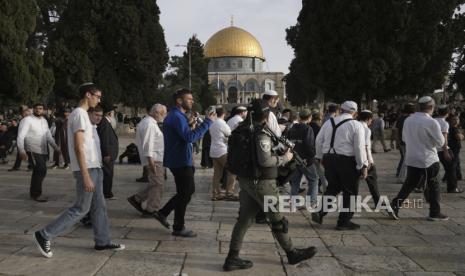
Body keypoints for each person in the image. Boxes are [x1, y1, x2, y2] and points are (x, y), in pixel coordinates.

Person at [33, 83, 124, 258]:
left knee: (99, 207)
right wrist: (85, 175)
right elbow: (78, 147)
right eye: (97, 96)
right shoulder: (80, 115)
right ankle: (44, 234)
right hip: (87, 169)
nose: (99, 99)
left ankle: (102, 241)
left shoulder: (84, 116)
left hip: (94, 167)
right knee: (81, 208)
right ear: (88, 95)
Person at [223, 100, 316, 271]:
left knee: (244, 220)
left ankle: (232, 257)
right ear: (266, 115)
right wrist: (284, 158)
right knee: (278, 220)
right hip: (263, 183)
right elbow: (265, 161)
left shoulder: (241, 129)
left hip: (247, 181)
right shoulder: (260, 133)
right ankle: (291, 253)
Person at [157, 88, 216, 237]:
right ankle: (178, 226)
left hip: (181, 159)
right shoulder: (176, 116)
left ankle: (163, 213)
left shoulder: (177, 116)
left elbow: (183, 135)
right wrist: (207, 122)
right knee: (185, 193)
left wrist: (189, 124)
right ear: (179, 101)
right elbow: (189, 138)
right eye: (189, 99)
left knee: (186, 192)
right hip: (180, 161)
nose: (192, 101)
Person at [389, 96, 448, 221]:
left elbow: (404, 139)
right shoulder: (431, 122)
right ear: (432, 107)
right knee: (434, 185)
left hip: (412, 157)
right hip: (428, 159)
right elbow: (441, 142)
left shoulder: (409, 120)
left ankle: (394, 205)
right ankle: (434, 212)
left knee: (409, 184)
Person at [312, 101, 368, 230]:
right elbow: (359, 147)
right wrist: (362, 165)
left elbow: (318, 140)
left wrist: (320, 156)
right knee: (350, 191)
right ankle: (344, 221)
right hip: (346, 160)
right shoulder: (356, 125)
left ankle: (320, 211)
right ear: (354, 112)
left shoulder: (329, 122)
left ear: (341, 110)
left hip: (329, 159)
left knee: (333, 187)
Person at [128, 104, 169, 227]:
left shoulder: (149, 123)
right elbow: (148, 144)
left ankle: (137, 198)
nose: (164, 116)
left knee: (155, 183)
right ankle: (151, 209)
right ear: (156, 112)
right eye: (163, 113)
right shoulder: (149, 124)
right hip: (154, 159)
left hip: (155, 158)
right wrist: (151, 162)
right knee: (158, 184)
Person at [17, 103, 61, 202]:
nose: (38, 110)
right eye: (36, 108)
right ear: (33, 110)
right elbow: (20, 136)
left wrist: (56, 148)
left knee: (39, 171)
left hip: (43, 150)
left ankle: (34, 192)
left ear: (43, 110)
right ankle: (36, 194)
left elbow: (49, 136)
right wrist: (21, 150)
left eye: (40, 108)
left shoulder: (44, 121)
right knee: (41, 169)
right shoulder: (27, 120)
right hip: (32, 149)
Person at [287, 109, 318, 207]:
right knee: (313, 179)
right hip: (305, 159)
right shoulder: (308, 129)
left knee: (295, 181)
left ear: (299, 117)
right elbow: (309, 145)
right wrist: (312, 157)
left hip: (294, 158)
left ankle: (293, 201)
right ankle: (311, 202)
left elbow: (288, 143)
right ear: (309, 118)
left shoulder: (292, 128)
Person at [209, 107, 237, 201]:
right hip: (222, 150)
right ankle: (229, 192)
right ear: (224, 114)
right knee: (232, 170)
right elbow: (230, 135)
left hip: (213, 151)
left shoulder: (212, 123)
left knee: (217, 174)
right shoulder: (222, 123)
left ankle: (216, 194)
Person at [358, 110, 384, 208]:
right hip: (365, 159)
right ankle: (378, 201)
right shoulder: (366, 129)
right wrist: (369, 161)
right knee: (373, 180)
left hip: (354, 158)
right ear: (369, 119)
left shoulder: (355, 125)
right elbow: (365, 147)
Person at [97, 102, 119, 199]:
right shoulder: (104, 122)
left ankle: (107, 191)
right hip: (108, 154)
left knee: (109, 173)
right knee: (107, 173)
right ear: (110, 113)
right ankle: (106, 192)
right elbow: (104, 139)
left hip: (110, 154)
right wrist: (106, 153)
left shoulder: (106, 122)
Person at [435, 105, 459, 193]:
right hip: (442, 149)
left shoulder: (433, 121)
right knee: (451, 168)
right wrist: (446, 151)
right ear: (447, 113)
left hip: (434, 149)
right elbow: (444, 137)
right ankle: (452, 188)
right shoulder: (444, 123)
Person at [9, 106, 33, 171]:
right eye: (22, 112)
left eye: (24, 112)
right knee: (20, 152)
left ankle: (31, 166)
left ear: (27, 112)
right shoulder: (23, 119)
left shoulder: (30, 119)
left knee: (29, 153)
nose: (23, 113)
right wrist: (15, 126)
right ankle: (17, 166)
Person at [395, 103, 415, 180]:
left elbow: (396, 131)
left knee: (403, 157)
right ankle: (402, 174)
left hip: (402, 141)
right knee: (405, 158)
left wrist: (396, 142)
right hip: (410, 142)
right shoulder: (412, 119)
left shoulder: (400, 119)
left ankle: (399, 172)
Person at [447, 114, 464, 193]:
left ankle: (458, 177)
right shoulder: (454, 129)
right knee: (453, 166)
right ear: (451, 121)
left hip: (454, 148)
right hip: (454, 149)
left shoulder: (453, 128)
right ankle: (452, 186)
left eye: (457, 119)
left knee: (455, 164)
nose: (456, 121)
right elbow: (459, 137)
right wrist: (461, 136)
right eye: (455, 119)